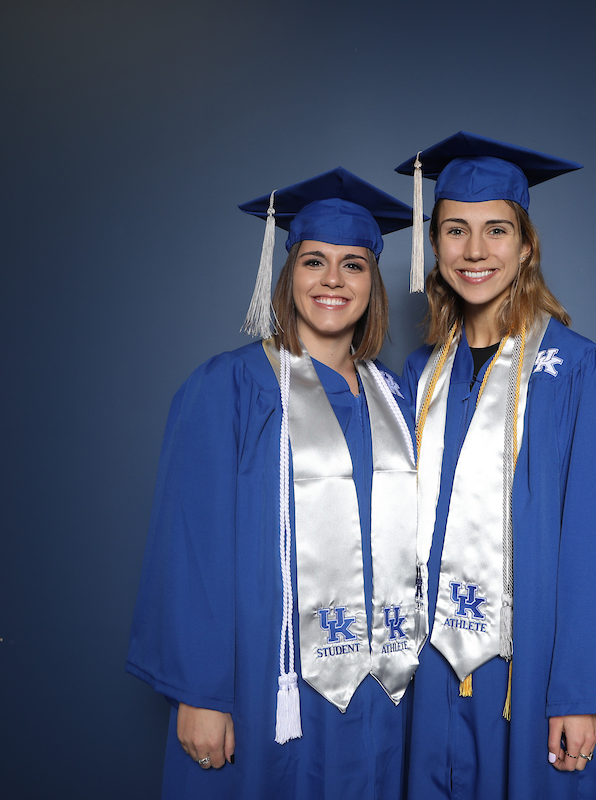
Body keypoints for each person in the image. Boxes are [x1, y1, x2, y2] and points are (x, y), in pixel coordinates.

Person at [127, 167, 425, 799]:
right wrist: (200, 693)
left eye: (353, 265)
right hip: (270, 680)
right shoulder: (231, 387)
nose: (333, 281)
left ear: (374, 282)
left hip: (377, 686)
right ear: (288, 275)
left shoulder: (393, 398)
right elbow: (192, 547)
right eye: (315, 262)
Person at [394, 133, 596, 799]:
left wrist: (581, 692)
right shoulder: (420, 375)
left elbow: (594, 539)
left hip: (529, 667)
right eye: (455, 230)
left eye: (496, 230)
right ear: (434, 247)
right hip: (428, 663)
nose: (475, 251)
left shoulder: (574, 367)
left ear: (527, 244)